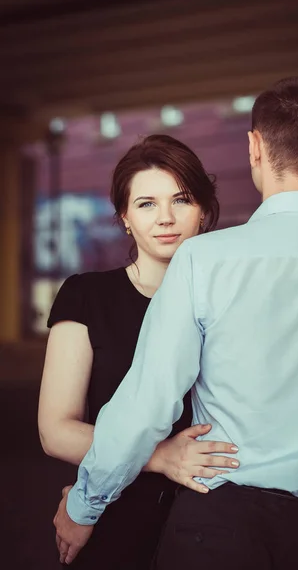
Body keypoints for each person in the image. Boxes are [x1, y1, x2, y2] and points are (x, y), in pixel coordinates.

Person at [54, 77, 298, 570]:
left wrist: (85, 504)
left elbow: (148, 400)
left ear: (254, 148)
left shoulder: (204, 260)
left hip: (220, 528)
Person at [38, 134, 240, 569]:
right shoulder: (86, 295)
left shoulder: (231, 300)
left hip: (217, 516)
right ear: (124, 217)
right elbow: (54, 431)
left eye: (181, 200)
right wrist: (159, 456)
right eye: (146, 204)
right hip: (115, 512)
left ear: (203, 210)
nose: (165, 218)